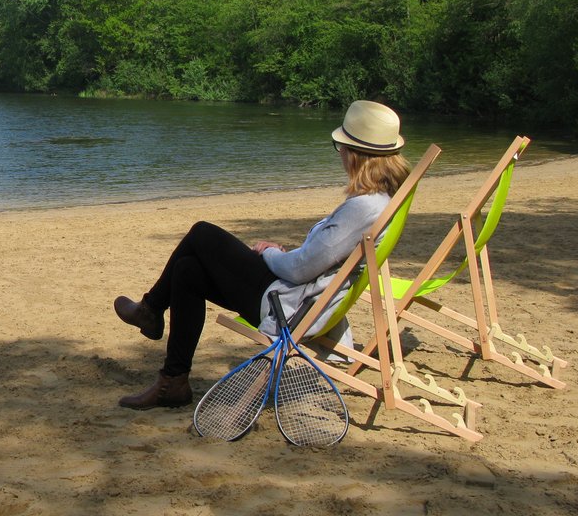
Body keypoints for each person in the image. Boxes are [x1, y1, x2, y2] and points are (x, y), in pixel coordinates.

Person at [112, 100, 412, 410]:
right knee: (188, 270)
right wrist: (284, 253)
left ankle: (150, 311)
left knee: (202, 234)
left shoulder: (362, 209)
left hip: (288, 306)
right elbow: (318, 259)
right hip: (298, 294)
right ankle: (172, 382)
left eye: (341, 147)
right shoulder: (381, 202)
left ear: (356, 155)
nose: (341, 155)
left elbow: (299, 269)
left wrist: (270, 253)